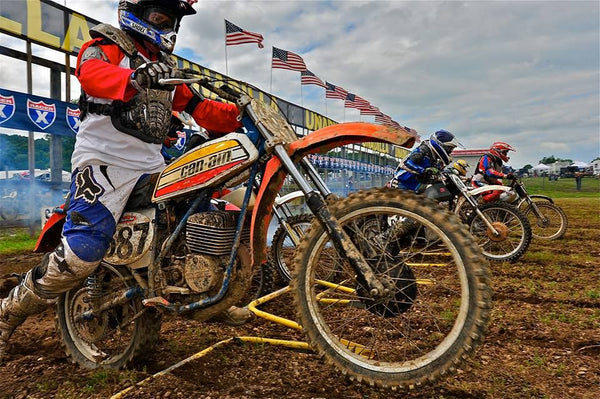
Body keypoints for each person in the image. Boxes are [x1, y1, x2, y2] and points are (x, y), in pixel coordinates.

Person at [0, 0, 251, 363]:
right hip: (103, 162)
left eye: (172, 19)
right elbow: (91, 75)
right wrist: (133, 78)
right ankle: (8, 313)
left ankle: (208, 294)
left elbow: (201, 108)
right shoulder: (106, 46)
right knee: (82, 254)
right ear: (136, 10)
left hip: (152, 164)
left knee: (197, 208)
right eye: (160, 17)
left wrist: (242, 113)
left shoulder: (165, 68)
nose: (167, 25)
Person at [388, 130, 462, 192]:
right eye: (450, 149)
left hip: (416, 185)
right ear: (442, 146)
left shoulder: (433, 156)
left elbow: (437, 170)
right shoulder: (422, 151)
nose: (450, 152)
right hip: (403, 184)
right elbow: (408, 164)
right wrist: (424, 170)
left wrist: (449, 171)